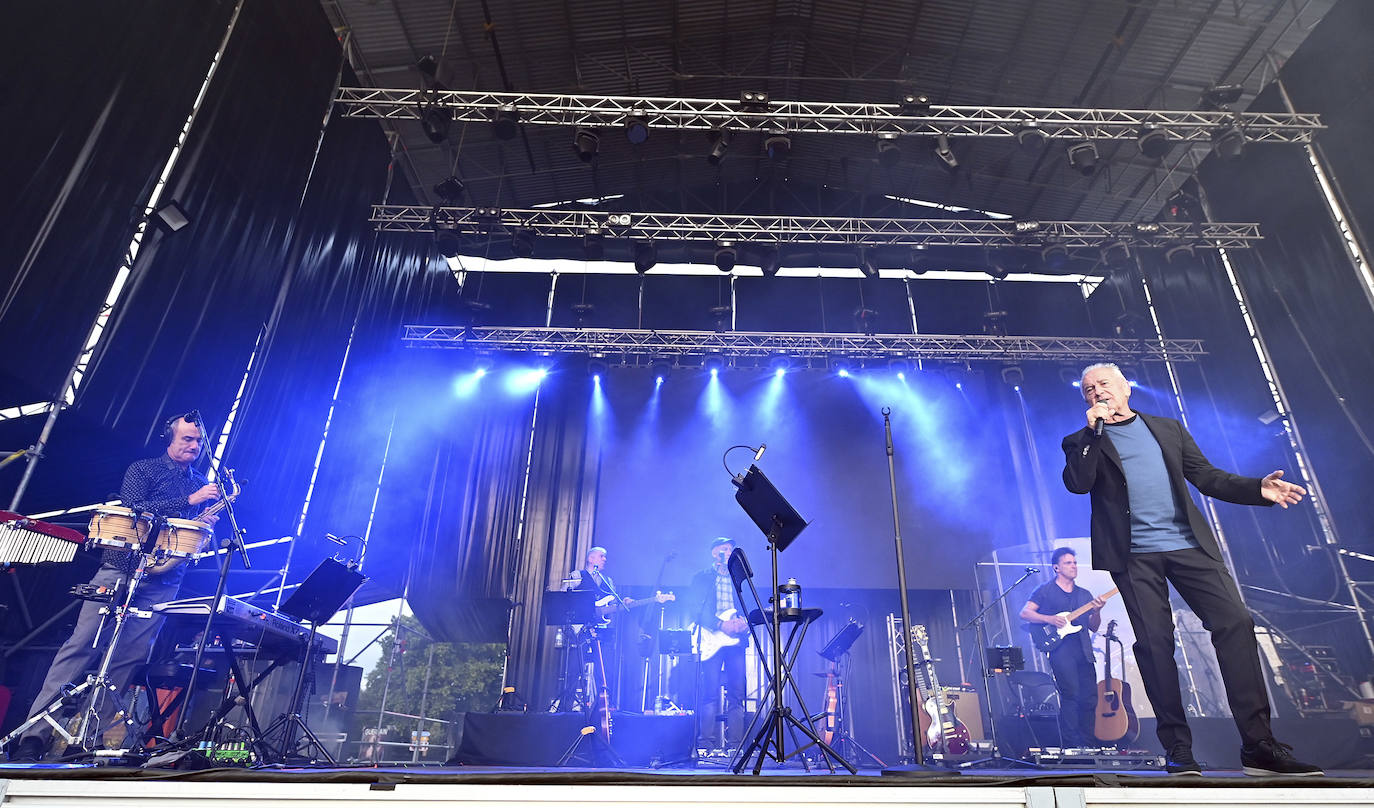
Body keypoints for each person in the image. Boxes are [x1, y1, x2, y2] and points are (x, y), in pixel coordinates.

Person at [1061, 362, 1321, 776]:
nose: (1096, 392)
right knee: (1155, 645)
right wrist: (1094, 432)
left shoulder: (1168, 429)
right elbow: (1078, 482)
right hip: (1134, 556)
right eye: (1088, 389)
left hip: (1189, 546)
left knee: (1236, 623)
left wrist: (1258, 488)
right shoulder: (1079, 440)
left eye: (1104, 384)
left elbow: (1207, 477)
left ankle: (1259, 747)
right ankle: (1179, 749)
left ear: (1126, 388)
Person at [9, 414, 219, 761]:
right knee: (81, 646)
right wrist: (190, 501)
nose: (193, 447)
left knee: (129, 657)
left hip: (164, 578)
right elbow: (135, 508)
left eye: (198, 442)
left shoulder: (199, 482)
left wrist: (204, 521)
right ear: (169, 438)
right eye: (186, 440)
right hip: (120, 568)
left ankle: (88, 741)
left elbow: (189, 531)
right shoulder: (144, 469)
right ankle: (34, 734)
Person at [1020, 547, 1108, 747]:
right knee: (1071, 695)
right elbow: (1025, 613)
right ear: (1056, 567)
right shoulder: (1045, 590)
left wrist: (1097, 611)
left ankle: (1089, 744)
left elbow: (1093, 626)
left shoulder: (1084, 595)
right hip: (1061, 650)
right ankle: (1071, 745)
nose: (1074, 566)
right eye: (1068, 563)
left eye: (1075, 562)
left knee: (1090, 698)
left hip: (1084, 651)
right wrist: (1049, 618)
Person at [689, 536, 748, 750]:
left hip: (736, 642)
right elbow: (695, 608)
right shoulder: (702, 578)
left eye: (731, 549)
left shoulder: (740, 577)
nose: (729, 552)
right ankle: (705, 744)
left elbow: (748, 605)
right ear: (715, 553)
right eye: (725, 549)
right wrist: (720, 624)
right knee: (709, 694)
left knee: (736, 694)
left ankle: (735, 745)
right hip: (712, 638)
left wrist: (744, 622)